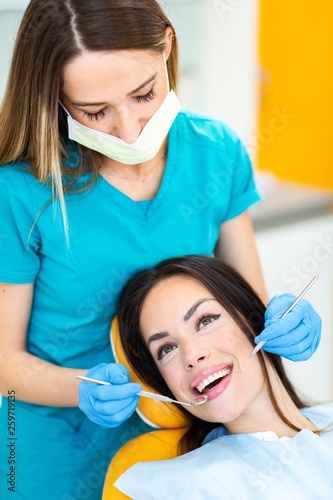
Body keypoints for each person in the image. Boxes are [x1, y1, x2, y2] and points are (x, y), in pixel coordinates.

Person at [0, 1, 321, 499]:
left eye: (144, 93)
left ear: (167, 46)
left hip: (187, 443)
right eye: (95, 112)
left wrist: (283, 322)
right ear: (56, 98)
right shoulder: (24, 192)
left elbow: (247, 311)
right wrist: (81, 387)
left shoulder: (216, 154)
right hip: (52, 454)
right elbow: (5, 365)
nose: (130, 131)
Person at [115, 255, 333, 499]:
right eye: (167, 349)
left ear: (253, 320)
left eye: (205, 321)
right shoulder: (187, 486)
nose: (191, 355)